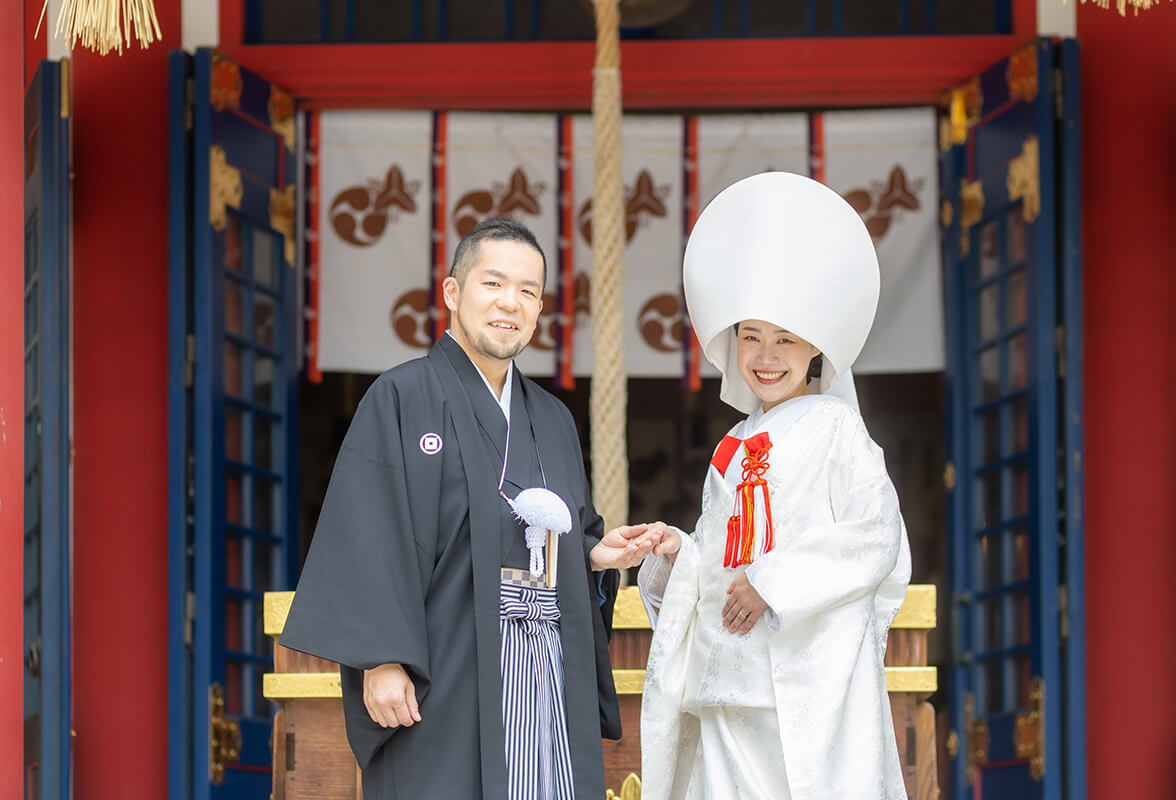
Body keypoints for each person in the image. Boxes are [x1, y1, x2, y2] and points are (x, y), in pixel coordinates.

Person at [281, 218, 658, 800]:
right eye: (494, 284)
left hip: (543, 675)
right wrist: (381, 660)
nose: (511, 303)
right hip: (447, 669)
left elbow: (555, 532)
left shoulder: (554, 419)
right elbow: (369, 531)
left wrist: (591, 555)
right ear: (453, 294)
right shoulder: (401, 397)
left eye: (529, 292)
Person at [636, 173, 912, 799]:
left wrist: (772, 583)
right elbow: (718, 556)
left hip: (812, 693)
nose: (766, 355)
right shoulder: (731, 449)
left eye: (785, 339)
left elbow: (875, 538)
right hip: (729, 687)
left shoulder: (839, 431)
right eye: (751, 337)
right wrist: (680, 556)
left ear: (816, 348)